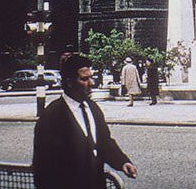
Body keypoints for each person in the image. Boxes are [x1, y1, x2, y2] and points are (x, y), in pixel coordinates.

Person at [33, 54, 137, 189]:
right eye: (84, 79)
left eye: (91, 77)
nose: (91, 83)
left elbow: (104, 142)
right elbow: (43, 169)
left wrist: (122, 162)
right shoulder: (51, 116)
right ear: (69, 82)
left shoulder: (93, 108)